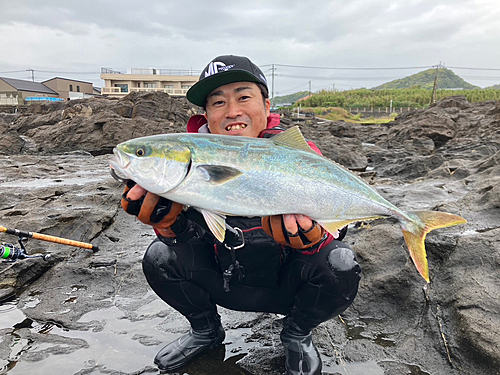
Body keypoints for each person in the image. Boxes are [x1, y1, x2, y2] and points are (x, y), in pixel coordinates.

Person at [121, 55, 361, 375]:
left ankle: (297, 333)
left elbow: (335, 224)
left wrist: (315, 240)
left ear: (266, 105)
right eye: (218, 102)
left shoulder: (300, 156)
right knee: (159, 256)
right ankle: (206, 331)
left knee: (340, 262)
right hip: (227, 282)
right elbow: (187, 244)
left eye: (243, 97)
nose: (232, 111)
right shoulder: (187, 160)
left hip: (286, 285)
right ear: (206, 114)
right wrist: (166, 225)